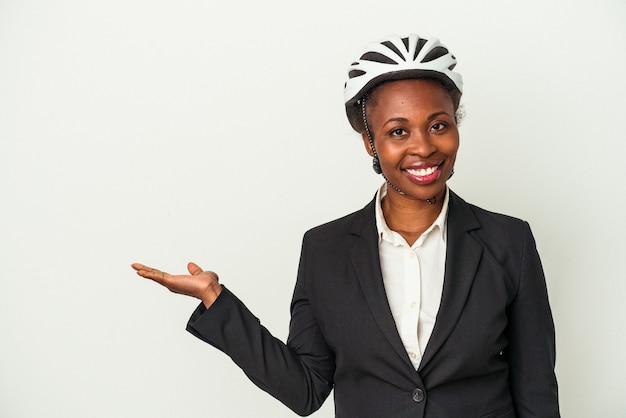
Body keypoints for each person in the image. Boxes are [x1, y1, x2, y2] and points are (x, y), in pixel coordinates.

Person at [132, 34, 560, 417]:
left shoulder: (509, 242)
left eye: (438, 125)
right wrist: (215, 300)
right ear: (369, 142)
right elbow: (305, 389)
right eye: (398, 131)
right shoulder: (325, 250)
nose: (423, 147)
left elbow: (536, 390)